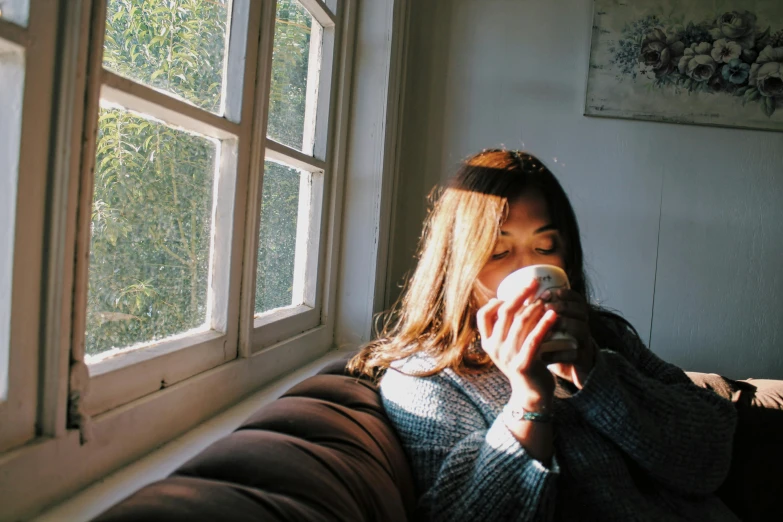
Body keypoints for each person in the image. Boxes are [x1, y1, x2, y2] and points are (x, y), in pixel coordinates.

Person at [348, 149, 739, 521]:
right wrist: (529, 399)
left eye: (545, 246)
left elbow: (711, 454)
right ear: (457, 263)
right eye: (499, 253)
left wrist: (592, 371)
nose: (529, 267)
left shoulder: (604, 335)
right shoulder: (428, 379)